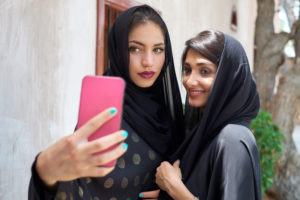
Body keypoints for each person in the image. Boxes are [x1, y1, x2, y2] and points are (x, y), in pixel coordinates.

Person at [28, 4, 184, 200]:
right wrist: (46, 175)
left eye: (158, 49)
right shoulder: (103, 116)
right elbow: (75, 185)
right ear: (118, 50)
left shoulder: (172, 114)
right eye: (135, 49)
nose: (148, 61)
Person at [155, 30, 262, 200]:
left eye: (205, 71)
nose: (189, 81)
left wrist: (174, 188)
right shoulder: (205, 130)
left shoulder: (232, 139)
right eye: (187, 70)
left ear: (228, 78)